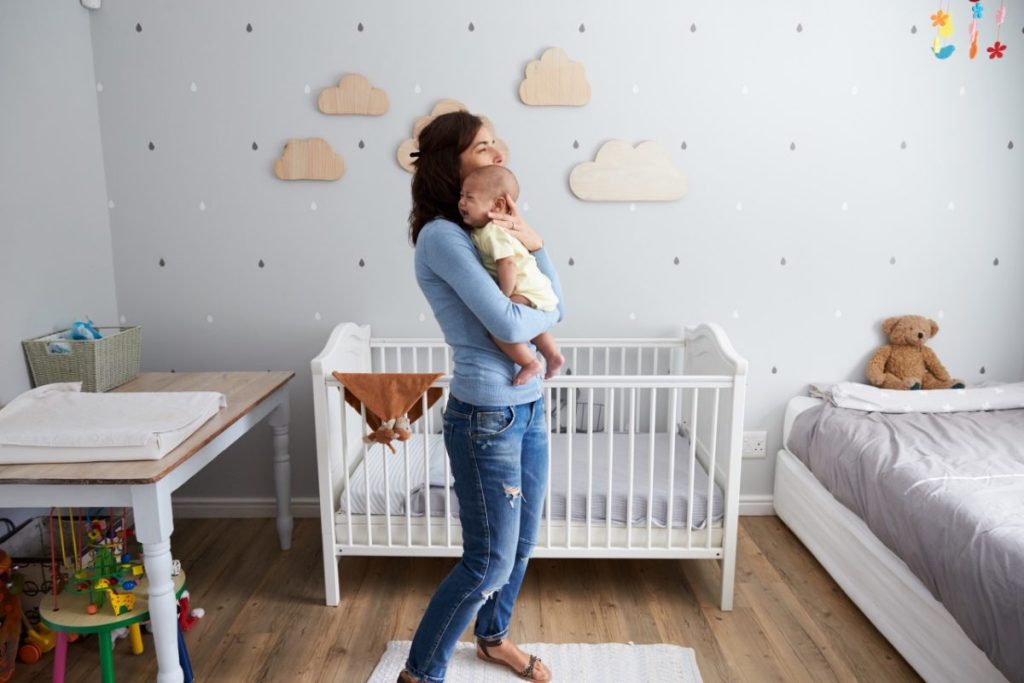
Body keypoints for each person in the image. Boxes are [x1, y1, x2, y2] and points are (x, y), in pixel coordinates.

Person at [399, 110, 563, 683]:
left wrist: (535, 243)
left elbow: (556, 305)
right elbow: (511, 321)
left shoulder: (484, 231)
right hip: (487, 413)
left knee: (520, 546)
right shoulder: (444, 237)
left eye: (496, 145)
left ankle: (492, 639)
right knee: (488, 557)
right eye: (483, 148)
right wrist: (535, 261)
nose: (497, 155)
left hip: (529, 402)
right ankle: (421, 672)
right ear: (452, 163)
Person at [458, 164, 564, 386]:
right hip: (536, 288)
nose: (462, 203)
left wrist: (503, 297)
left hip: (522, 288)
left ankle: (529, 362)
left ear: (498, 205)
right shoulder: (488, 230)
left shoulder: (492, 231)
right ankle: (553, 355)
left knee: (497, 326)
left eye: (469, 197)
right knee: (533, 327)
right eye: (461, 196)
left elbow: (507, 264)